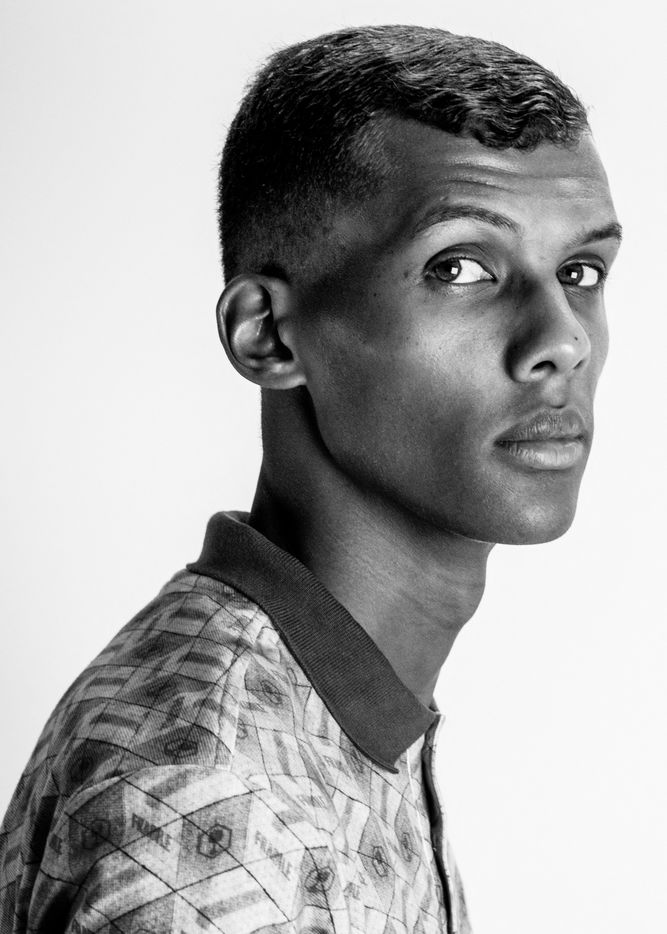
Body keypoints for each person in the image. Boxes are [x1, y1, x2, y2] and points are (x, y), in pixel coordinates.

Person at [0, 23, 621, 934]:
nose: (561, 338)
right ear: (267, 334)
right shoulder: (213, 803)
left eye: (580, 270)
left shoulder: (322, 709)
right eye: (459, 267)